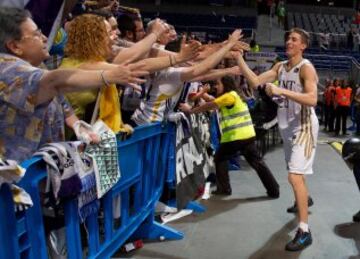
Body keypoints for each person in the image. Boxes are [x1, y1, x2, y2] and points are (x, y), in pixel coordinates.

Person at [0, 7, 147, 162]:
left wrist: (78, 126)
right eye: (36, 34)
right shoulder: (6, 69)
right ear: (15, 46)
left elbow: (61, 100)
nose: (44, 38)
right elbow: (54, 82)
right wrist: (108, 75)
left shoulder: (38, 66)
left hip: (45, 166)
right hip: (17, 175)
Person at [235, 27, 319, 251]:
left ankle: (304, 231)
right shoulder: (280, 67)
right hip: (287, 126)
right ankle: (305, 199)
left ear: (303, 46)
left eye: (294, 39)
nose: (289, 42)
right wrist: (238, 58)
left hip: (304, 126)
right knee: (295, 173)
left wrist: (282, 92)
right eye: (287, 39)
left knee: (294, 175)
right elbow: (254, 82)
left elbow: (312, 99)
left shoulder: (306, 68)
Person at [179, 76, 280, 198]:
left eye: (218, 84)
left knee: (219, 158)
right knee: (257, 163)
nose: (216, 87)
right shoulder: (234, 96)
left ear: (226, 84)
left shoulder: (229, 96)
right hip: (247, 135)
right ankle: (274, 189)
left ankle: (224, 188)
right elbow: (214, 100)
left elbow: (211, 105)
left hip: (236, 137)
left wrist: (190, 110)